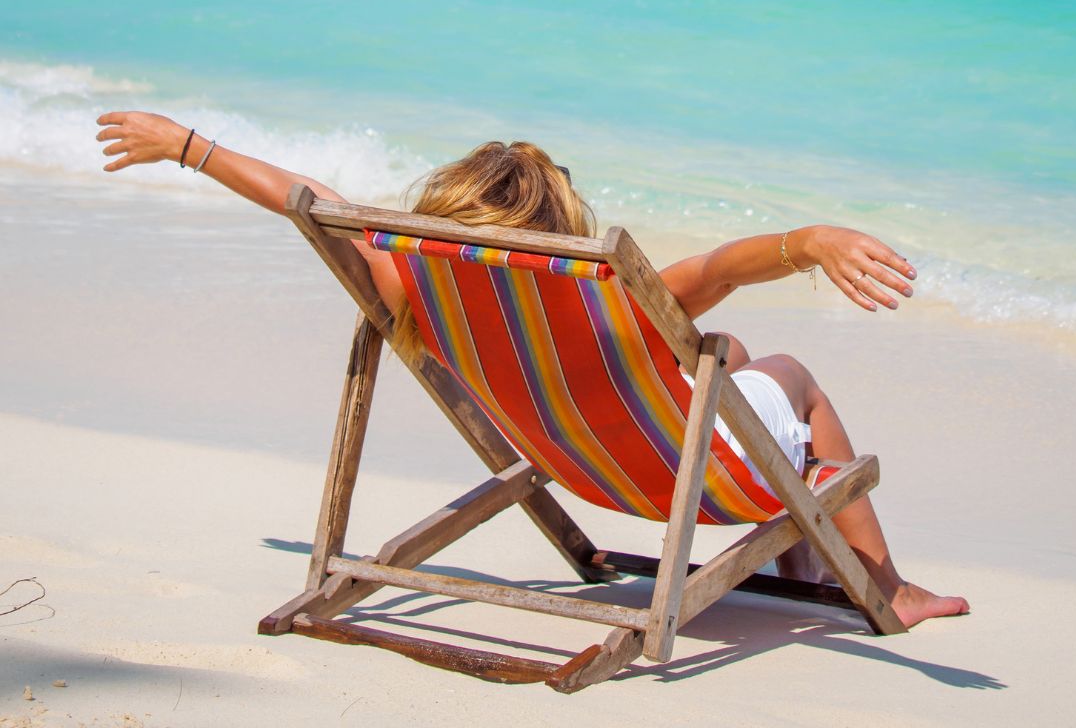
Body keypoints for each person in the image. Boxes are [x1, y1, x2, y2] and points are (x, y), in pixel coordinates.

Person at [96, 111, 969, 628]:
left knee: (727, 360)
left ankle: (807, 545)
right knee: (789, 369)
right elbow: (730, 267)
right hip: (697, 481)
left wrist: (189, 146)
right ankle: (885, 585)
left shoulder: (414, 285)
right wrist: (812, 241)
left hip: (583, 468)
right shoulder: (609, 296)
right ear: (557, 221)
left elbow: (309, 201)